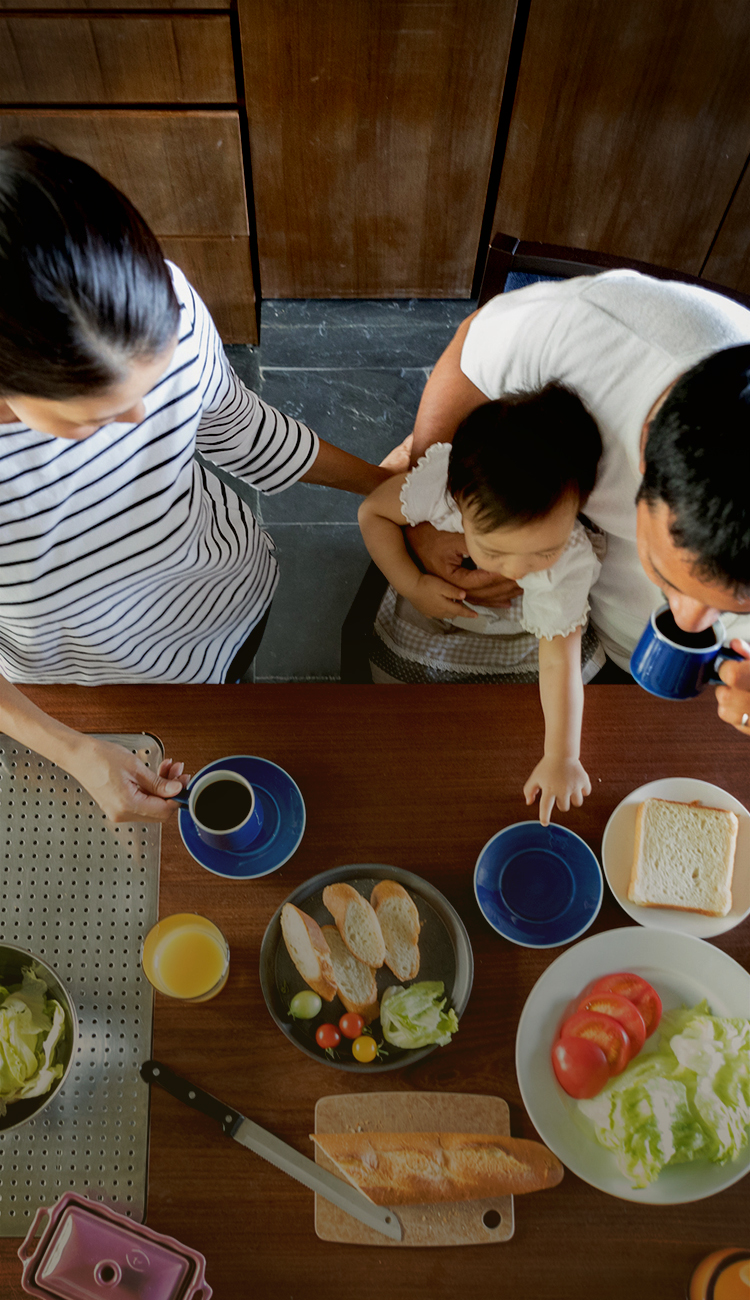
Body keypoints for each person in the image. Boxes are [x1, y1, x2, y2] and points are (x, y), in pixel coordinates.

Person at [0, 140, 391, 822]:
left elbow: (237, 429)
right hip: (81, 678)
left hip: (223, 609)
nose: (141, 420)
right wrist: (74, 750)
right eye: (93, 418)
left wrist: (392, 486)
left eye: (150, 384)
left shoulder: (167, 302)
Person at [390, 271, 750, 732]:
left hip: (692, 694)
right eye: (664, 576)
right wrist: (430, 517)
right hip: (587, 641)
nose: (689, 622)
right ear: (644, 446)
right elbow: (468, 356)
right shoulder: (588, 337)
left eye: (735, 605)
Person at [359, 386, 603, 823]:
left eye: (544, 552)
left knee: (532, 700)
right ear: (458, 501)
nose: (519, 571)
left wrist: (562, 756)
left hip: (527, 627)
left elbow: (558, 663)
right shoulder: (439, 489)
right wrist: (413, 584)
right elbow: (372, 514)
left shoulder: (570, 561)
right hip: (436, 597)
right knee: (401, 703)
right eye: (495, 551)